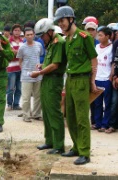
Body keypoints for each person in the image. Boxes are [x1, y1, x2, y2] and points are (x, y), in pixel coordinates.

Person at [54, 6, 98, 165]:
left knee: (81, 118)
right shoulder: (67, 40)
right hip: (70, 79)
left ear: (71, 19)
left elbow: (93, 59)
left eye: (62, 20)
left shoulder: (84, 37)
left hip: (81, 80)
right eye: (59, 22)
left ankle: (85, 152)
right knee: (70, 116)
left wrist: (92, 81)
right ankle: (76, 147)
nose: (61, 24)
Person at [31, 18, 66, 154]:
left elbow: (56, 65)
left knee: (54, 112)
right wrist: (42, 66)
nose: (41, 38)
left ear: (50, 31)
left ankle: (58, 145)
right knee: (46, 111)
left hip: (54, 80)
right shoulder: (51, 43)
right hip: (47, 79)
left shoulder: (58, 42)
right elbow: (50, 62)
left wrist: (39, 72)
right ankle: (49, 141)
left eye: (42, 35)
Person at [16, 27, 43, 122]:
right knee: (26, 97)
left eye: (31, 34)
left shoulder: (39, 45)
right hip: (26, 75)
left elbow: (40, 56)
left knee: (38, 96)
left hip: (38, 74)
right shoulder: (22, 47)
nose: (30, 36)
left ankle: (36, 114)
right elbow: (20, 61)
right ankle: (26, 115)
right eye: (28, 35)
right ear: (25, 36)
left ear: (34, 35)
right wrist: (23, 71)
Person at [91, 27, 113, 132]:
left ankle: (105, 124)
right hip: (97, 78)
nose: (98, 37)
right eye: (98, 35)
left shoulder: (112, 48)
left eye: (101, 35)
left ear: (108, 36)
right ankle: (97, 123)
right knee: (97, 103)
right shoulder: (96, 47)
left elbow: (113, 63)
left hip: (106, 79)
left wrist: (111, 77)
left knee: (107, 103)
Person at [6, 24, 23, 111]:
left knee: (19, 88)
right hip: (11, 68)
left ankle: (16, 104)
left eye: (18, 30)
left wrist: (17, 52)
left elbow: (23, 52)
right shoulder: (9, 41)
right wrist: (20, 52)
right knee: (11, 88)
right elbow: (11, 53)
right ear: (12, 31)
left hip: (20, 68)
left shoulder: (22, 41)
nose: (17, 32)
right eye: (15, 30)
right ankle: (9, 104)